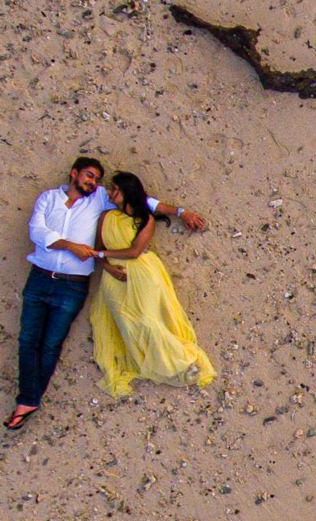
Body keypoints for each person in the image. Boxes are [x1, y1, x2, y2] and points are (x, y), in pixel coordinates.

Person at [8, 157, 205, 429]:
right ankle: (29, 399)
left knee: (52, 343)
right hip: (39, 279)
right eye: (89, 176)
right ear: (74, 174)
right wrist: (70, 246)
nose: (94, 182)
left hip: (72, 285)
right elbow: (37, 231)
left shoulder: (99, 198)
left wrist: (181, 212)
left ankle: (28, 400)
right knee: (28, 339)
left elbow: (144, 202)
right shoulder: (48, 198)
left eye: (98, 179)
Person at [87, 171, 218, 399]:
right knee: (128, 325)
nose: (110, 193)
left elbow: (135, 251)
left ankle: (181, 361)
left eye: (115, 189)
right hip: (113, 277)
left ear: (127, 193)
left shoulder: (144, 219)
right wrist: (108, 266)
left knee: (148, 322)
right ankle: (150, 362)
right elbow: (98, 250)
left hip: (142, 273)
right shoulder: (106, 217)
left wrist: (101, 253)